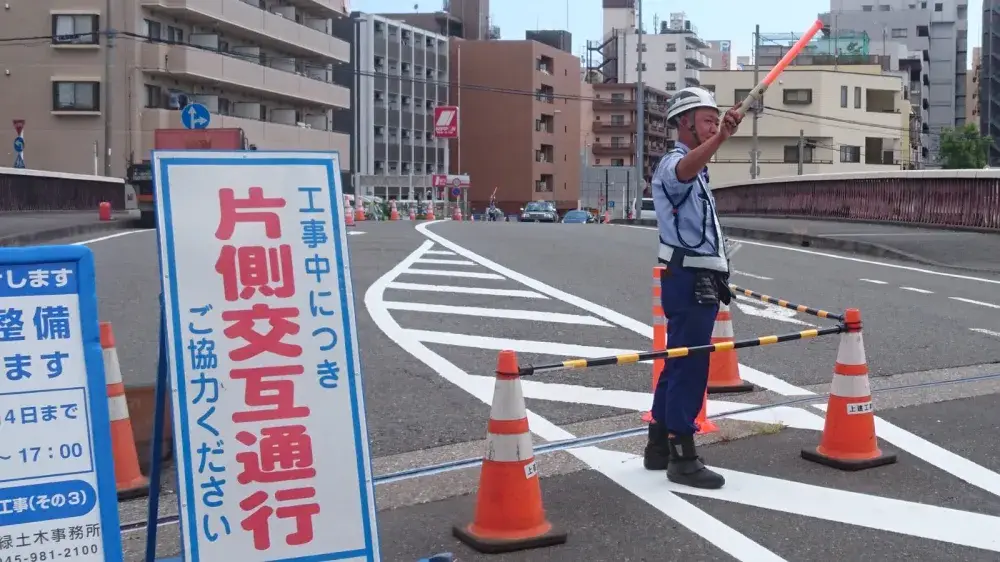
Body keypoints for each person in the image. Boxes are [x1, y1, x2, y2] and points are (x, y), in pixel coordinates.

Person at [643, 86, 743, 489]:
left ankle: (658, 446)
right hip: (687, 277)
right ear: (684, 124)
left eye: (715, 120)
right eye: (706, 120)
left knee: (678, 360)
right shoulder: (674, 163)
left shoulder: (698, 169)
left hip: (694, 275)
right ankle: (682, 455)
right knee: (691, 364)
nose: (713, 125)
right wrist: (721, 139)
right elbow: (682, 173)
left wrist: (718, 136)